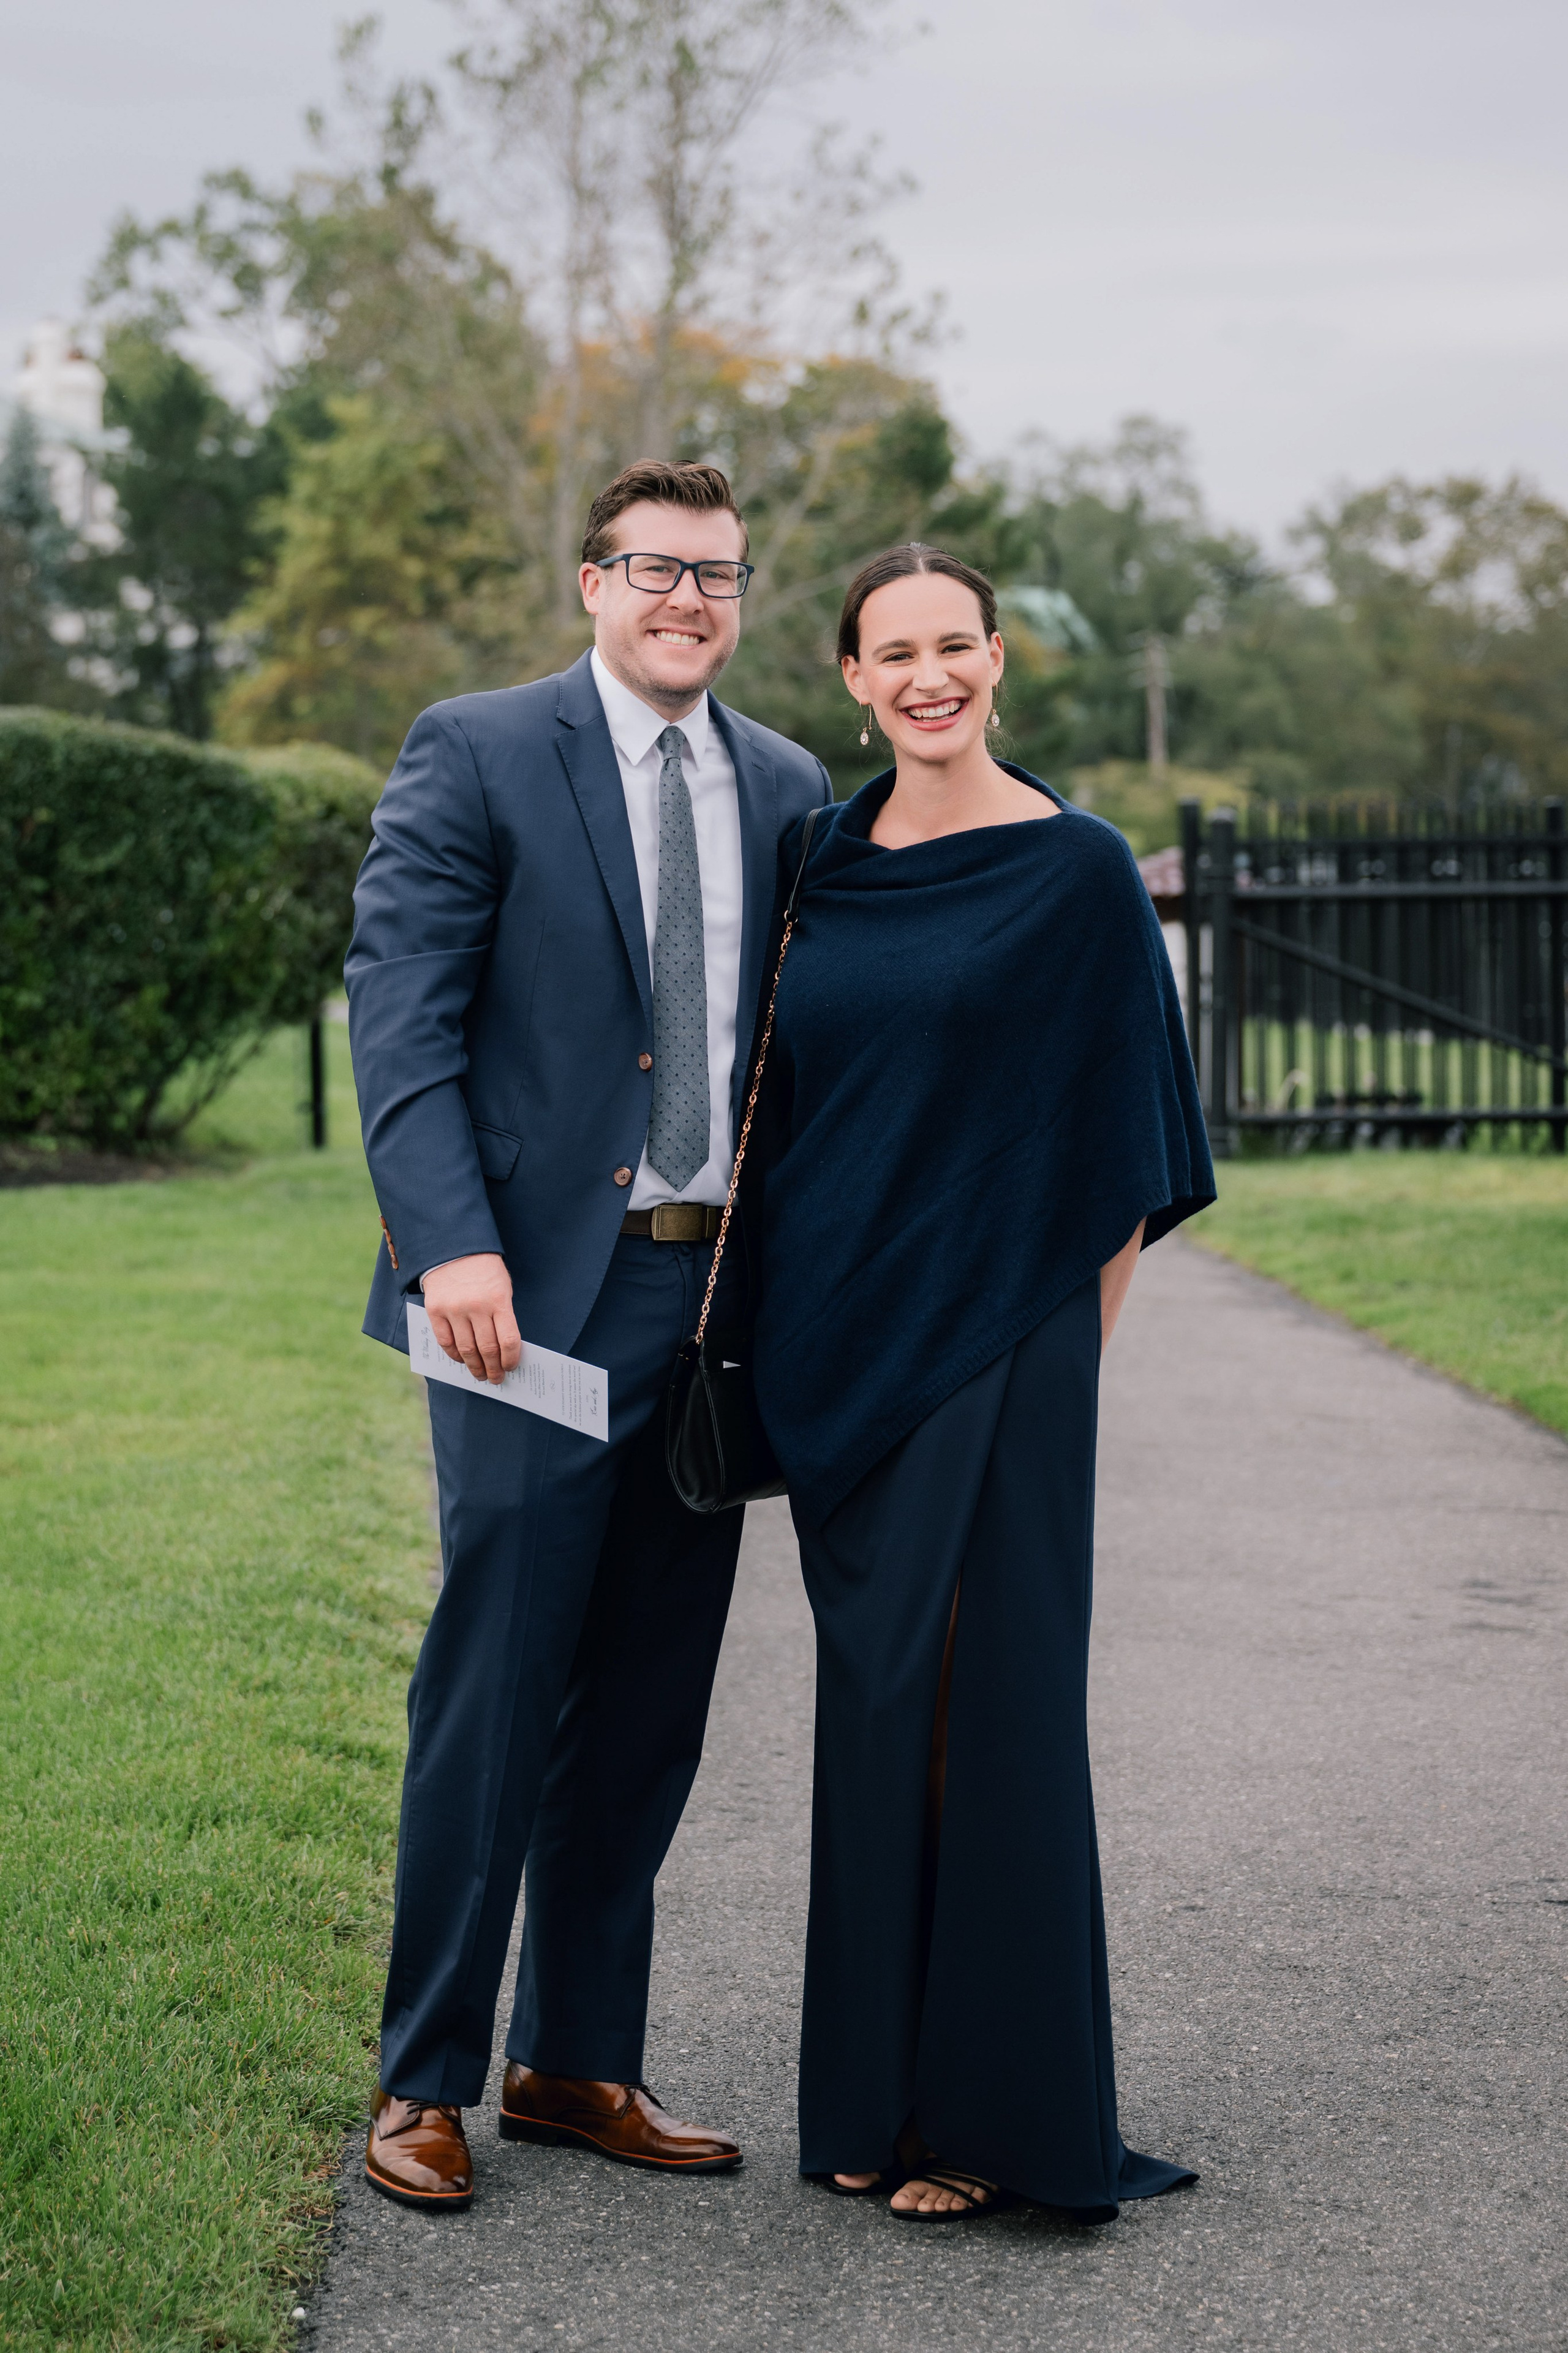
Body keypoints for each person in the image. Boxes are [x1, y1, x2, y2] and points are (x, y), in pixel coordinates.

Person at [347, 459, 832, 2211]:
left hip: (704, 1305)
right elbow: (398, 1018)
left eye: (716, 573)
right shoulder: (476, 749)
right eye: (653, 568)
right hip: (522, 1302)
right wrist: (447, 1247)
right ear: (591, 583)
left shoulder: (787, 783)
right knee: (499, 1678)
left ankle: (573, 2059)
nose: (687, 597)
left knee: (645, 1696)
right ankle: (425, 2077)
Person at [750, 542, 1215, 2222]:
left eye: (957, 645)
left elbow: (1133, 1147)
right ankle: (870, 2099)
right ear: (854, 684)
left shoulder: (1081, 871)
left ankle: (984, 2120)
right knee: (879, 1716)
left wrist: (1063, 1369)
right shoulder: (815, 865)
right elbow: (779, 1109)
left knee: (988, 1709)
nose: (930, 675)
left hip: (1010, 1351)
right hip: (842, 1351)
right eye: (897, 652)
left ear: (998, 663)